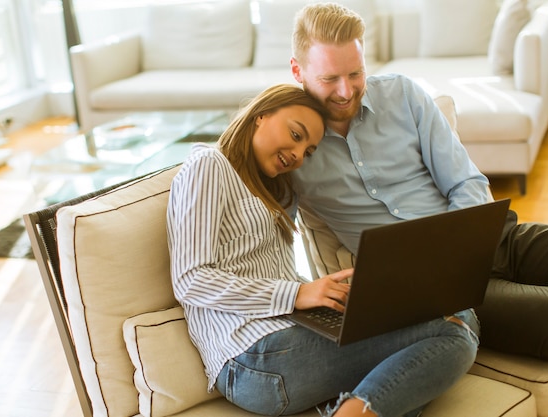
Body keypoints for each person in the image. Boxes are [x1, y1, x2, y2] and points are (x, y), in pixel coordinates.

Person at [167, 83, 480, 417]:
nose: (299, 155)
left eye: (309, 151)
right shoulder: (209, 165)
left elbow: (275, 274)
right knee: (452, 334)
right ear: (261, 114)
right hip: (249, 357)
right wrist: (297, 293)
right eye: (296, 134)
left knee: (458, 317)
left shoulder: (277, 192)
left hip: (289, 335)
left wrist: (331, 294)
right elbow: (190, 278)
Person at [289, 3, 548, 361]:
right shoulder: (290, 148)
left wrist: (460, 247)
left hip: (495, 240)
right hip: (434, 290)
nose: (345, 90)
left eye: (356, 73)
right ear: (298, 71)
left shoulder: (403, 95)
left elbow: (465, 181)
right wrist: (295, 292)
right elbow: (265, 235)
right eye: (329, 79)